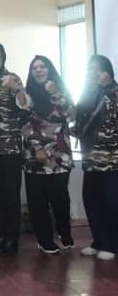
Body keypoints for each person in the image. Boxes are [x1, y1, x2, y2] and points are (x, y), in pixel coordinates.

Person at [0, 42, 31, 256]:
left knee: (11, 196)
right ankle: (1, 236)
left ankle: (12, 239)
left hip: (10, 148)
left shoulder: (12, 78)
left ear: (3, 58)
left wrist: (17, 89)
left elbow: (26, 106)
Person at [22, 55, 75, 254]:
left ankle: (64, 232)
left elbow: (70, 115)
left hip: (59, 155)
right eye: (34, 68)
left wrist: (55, 93)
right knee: (38, 201)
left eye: (42, 67)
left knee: (60, 197)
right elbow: (23, 123)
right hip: (34, 155)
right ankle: (44, 240)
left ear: (50, 70)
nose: (39, 70)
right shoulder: (26, 95)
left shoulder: (61, 91)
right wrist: (37, 147)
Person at [73, 55, 118, 261]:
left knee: (111, 201)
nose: (92, 72)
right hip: (90, 158)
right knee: (91, 199)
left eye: (97, 69)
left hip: (111, 159)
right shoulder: (88, 93)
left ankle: (112, 245)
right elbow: (81, 122)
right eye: (89, 68)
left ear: (108, 72)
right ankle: (99, 241)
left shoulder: (114, 93)